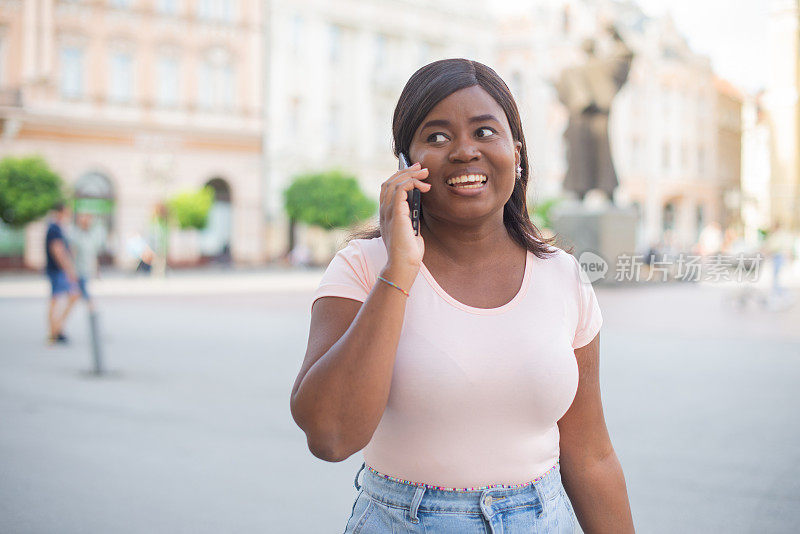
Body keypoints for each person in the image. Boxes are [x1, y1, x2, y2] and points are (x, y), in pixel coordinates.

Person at [290, 59, 634, 533]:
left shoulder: (564, 276)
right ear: (405, 165)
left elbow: (591, 454)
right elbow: (329, 436)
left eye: (485, 132)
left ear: (516, 152)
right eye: (436, 137)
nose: (464, 151)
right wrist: (400, 271)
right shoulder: (363, 268)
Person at [45, 202, 80, 344]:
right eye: (67, 212)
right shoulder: (55, 228)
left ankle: (56, 330)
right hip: (58, 271)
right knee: (61, 299)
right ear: (61, 212)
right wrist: (69, 271)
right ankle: (54, 331)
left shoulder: (57, 228)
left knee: (62, 298)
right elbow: (58, 251)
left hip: (57, 270)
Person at [68, 212, 101, 311]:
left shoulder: (91, 235)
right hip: (79, 272)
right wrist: (71, 271)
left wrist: (96, 270)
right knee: (84, 297)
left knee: (75, 297)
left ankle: (59, 323)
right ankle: (94, 318)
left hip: (87, 271)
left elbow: (93, 255)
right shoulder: (76, 235)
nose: (88, 221)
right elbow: (72, 254)